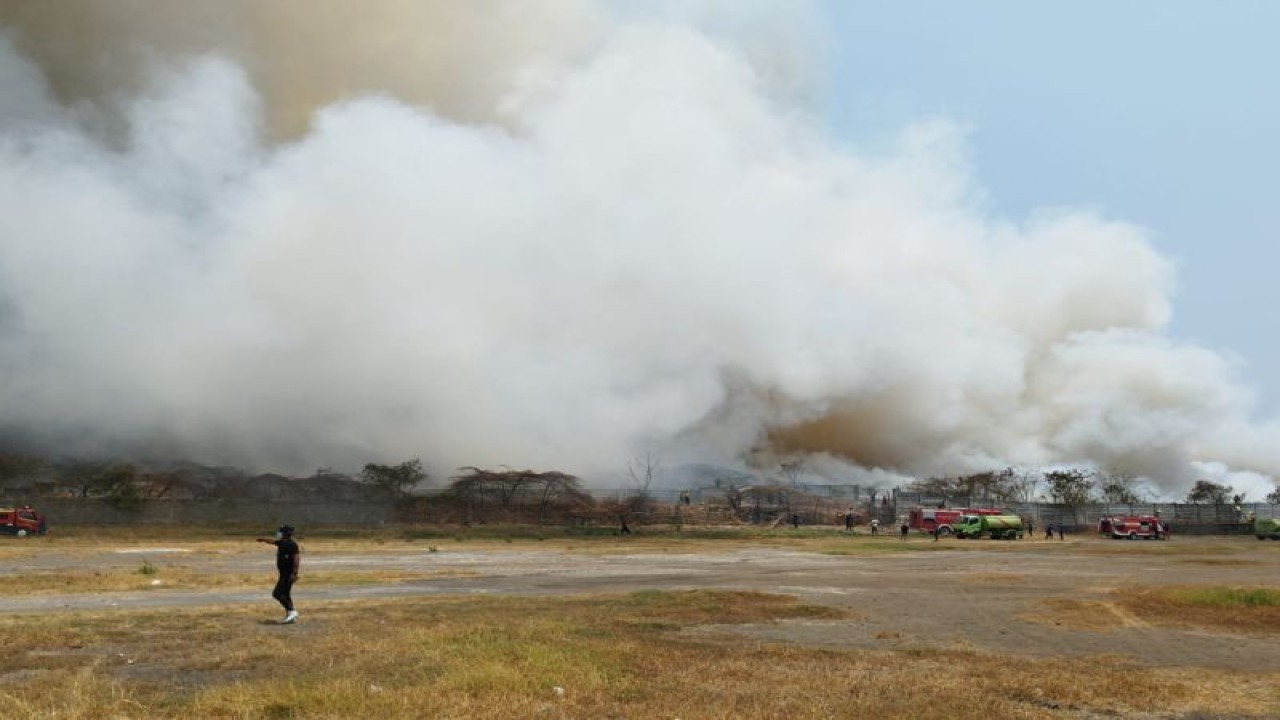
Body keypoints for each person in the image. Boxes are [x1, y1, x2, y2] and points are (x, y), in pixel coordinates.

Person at [257, 524, 301, 624]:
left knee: (277, 593)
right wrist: (263, 539)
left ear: (285, 533)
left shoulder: (291, 544)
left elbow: (296, 559)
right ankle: (290, 615)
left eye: (280, 532)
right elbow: (273, 542)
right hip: (283, 573)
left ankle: (292, 611)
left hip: (288, 574)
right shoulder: (282, 543)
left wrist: (294, 573)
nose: (278, 533)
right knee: (286, 594)